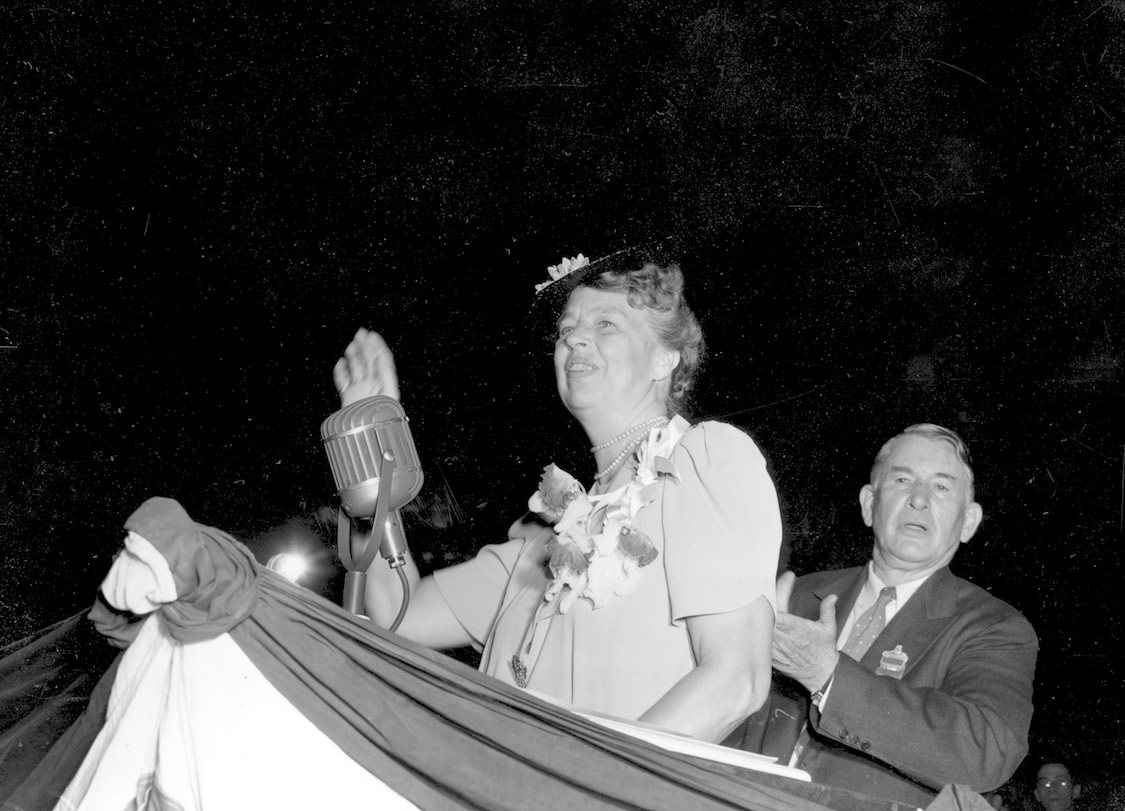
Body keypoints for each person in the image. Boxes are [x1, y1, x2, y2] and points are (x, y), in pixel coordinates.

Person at [334, 252, 782, 743]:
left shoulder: (705, 459)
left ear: (664, 358)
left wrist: (590, 786)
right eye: (565, 329)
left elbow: (736, 681)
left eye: (606, 322)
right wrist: (371, 449)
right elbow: (400, 615)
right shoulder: (545, 535)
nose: (574, 337)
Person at [737, 423, 1037, 807]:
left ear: (968, 522)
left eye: (941, 487)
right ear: (868, 504)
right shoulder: (794, 596)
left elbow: (986, 751)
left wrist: (827, 674)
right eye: (902, 480)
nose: (919, 500)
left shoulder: (994, 627)